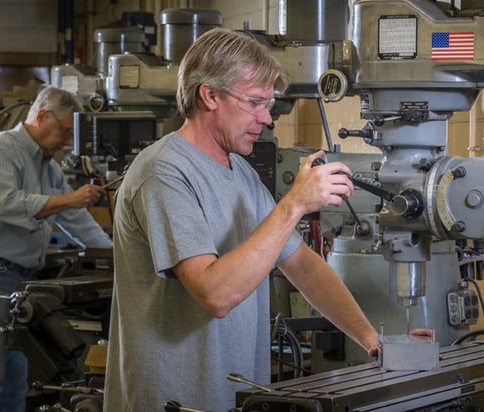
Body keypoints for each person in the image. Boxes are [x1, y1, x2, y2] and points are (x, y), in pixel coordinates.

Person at [103, 27, 390, 411]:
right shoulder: (163, 173)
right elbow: (215, 295)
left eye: (268, 104)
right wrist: (294, 205)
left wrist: (372, 341)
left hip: (232, 396)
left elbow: (303, 266)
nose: (266, 118)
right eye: (255, 102)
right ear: (210, 95)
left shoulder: (241, 171)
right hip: (173, 400)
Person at [0, 86, 113, 412]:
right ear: (42, 116)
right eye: (65, 132)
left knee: (17, 381)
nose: (67, 142)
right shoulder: (1, 150)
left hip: (24, 284)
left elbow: (78, 222)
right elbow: (4, 205)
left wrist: (117, 257)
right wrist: (70, 199)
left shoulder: (50, 167)